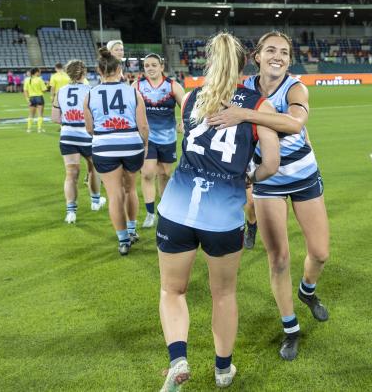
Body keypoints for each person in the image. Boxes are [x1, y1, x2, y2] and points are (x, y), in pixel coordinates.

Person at [155, 32, 280, 391]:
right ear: (245, 65)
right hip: (223, 215)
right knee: (223, 294)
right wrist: (249, 178)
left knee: (172, 291)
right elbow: (271, 162)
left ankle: (178, 358)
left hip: (177, 209)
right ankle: (223, 370)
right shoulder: (259, 106)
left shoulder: (191, 98)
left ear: (209, 62)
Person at [206, 31, 332, 361]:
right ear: (257, 56)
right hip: (267, 181)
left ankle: (308, 291)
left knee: (319, 253)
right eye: (271, 50)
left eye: (285, 52)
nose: (278, 56)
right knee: (278, 258)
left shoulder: (295, 87)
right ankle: (290, 328)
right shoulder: (241, 91)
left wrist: (245, 115)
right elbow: (219, 119)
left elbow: (293, 122)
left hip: (303, 175)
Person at [84, 47, 149, 255]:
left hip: (104, 146)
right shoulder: (133, 91)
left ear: (98, 71)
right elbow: (144, 126)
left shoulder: (90, 94)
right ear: (119, 68)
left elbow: (89, 128)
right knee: (130, 189)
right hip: (131, 144)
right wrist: (144, 145)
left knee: (114, 195)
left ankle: (123, 240)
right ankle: (132, 229)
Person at [51, 59, 106, 223]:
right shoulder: (91, 90)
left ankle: (71, 212)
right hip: (88, 136)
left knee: (71, 174)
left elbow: (55, 118)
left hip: (68, 137)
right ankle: (95, 201)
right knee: (93, 168)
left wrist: (69, 122)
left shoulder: (61, 91)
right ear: (84, 73)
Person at [137, 53, 186, 228]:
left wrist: (183, 121)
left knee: (165, 173)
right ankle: (150, 214)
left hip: (167, 138)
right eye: (146, 66)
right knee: (147, 173)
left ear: (161, 67)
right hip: (146, 139)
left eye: (153, 65)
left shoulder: (173, 86)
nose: (150, 68)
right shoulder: (137, 86)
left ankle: (163, 211)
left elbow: (186, 107)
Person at [24, 68, 48, 133]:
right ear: (36, 72)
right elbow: (44, 90)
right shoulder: (39, 79)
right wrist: (47, 85)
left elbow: (25, 91)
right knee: (40, 114)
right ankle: (39, 129)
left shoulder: (27, 79)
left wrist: (27, 100)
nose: (40, 73)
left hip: (31, 98)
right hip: (39, 97)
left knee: (31, 114)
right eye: (39, 72)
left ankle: (29, 129)